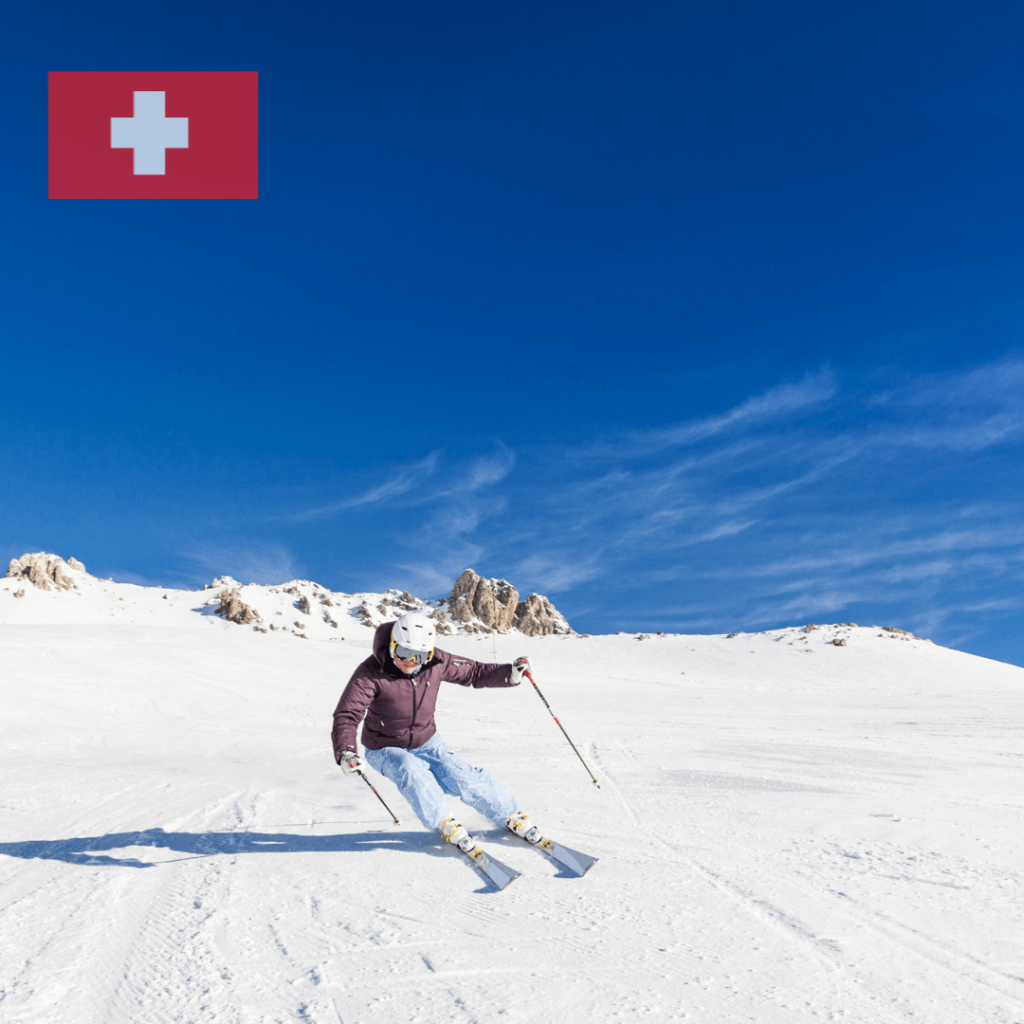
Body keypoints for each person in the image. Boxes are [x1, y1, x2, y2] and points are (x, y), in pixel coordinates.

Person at [331, 611, 541, 855]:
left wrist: (511, 674)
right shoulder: (370, 673)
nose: (411, 662)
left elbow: (473, 672)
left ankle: (510, 814)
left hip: (427, 740)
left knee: (461, 775)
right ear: (392, 646)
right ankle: (443, 821)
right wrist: (346, 751)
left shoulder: (436, 662)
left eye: (419, 656)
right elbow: (347, 714)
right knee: (411, 770)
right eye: (404, 654)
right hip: (384, 747)